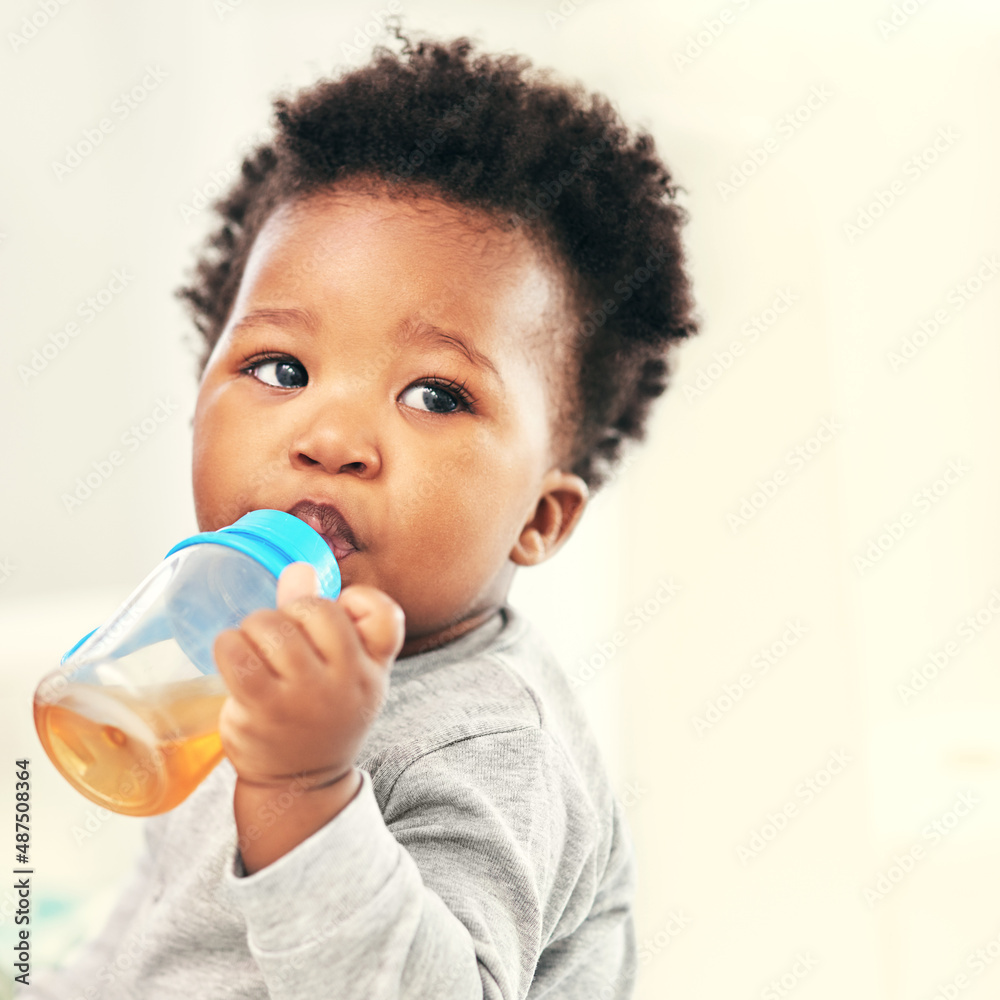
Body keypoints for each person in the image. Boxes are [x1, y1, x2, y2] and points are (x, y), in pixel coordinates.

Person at [20, 22, 697, 999]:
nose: (329, 436)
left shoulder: (489, 747)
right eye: (280, 369)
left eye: (434, 394)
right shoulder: (229, 626)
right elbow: (158, 929)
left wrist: (304, 788)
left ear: (538, 520)